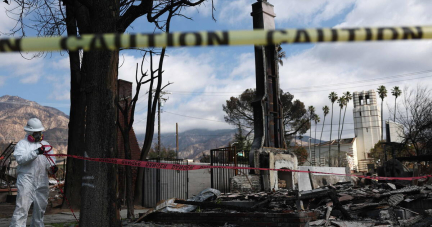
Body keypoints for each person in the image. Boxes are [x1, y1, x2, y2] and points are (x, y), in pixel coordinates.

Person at [10, 118, 57, 227]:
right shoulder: (22, 144)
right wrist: (36, 152)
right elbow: (21, 159)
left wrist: (52, 168)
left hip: (42, 180)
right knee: (22, 207)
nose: (38, 135)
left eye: (40, 132)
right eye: (36, 133)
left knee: (40, 208)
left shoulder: (45, 145)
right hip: (26, 180)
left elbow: (51, 160)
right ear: (29, 132)